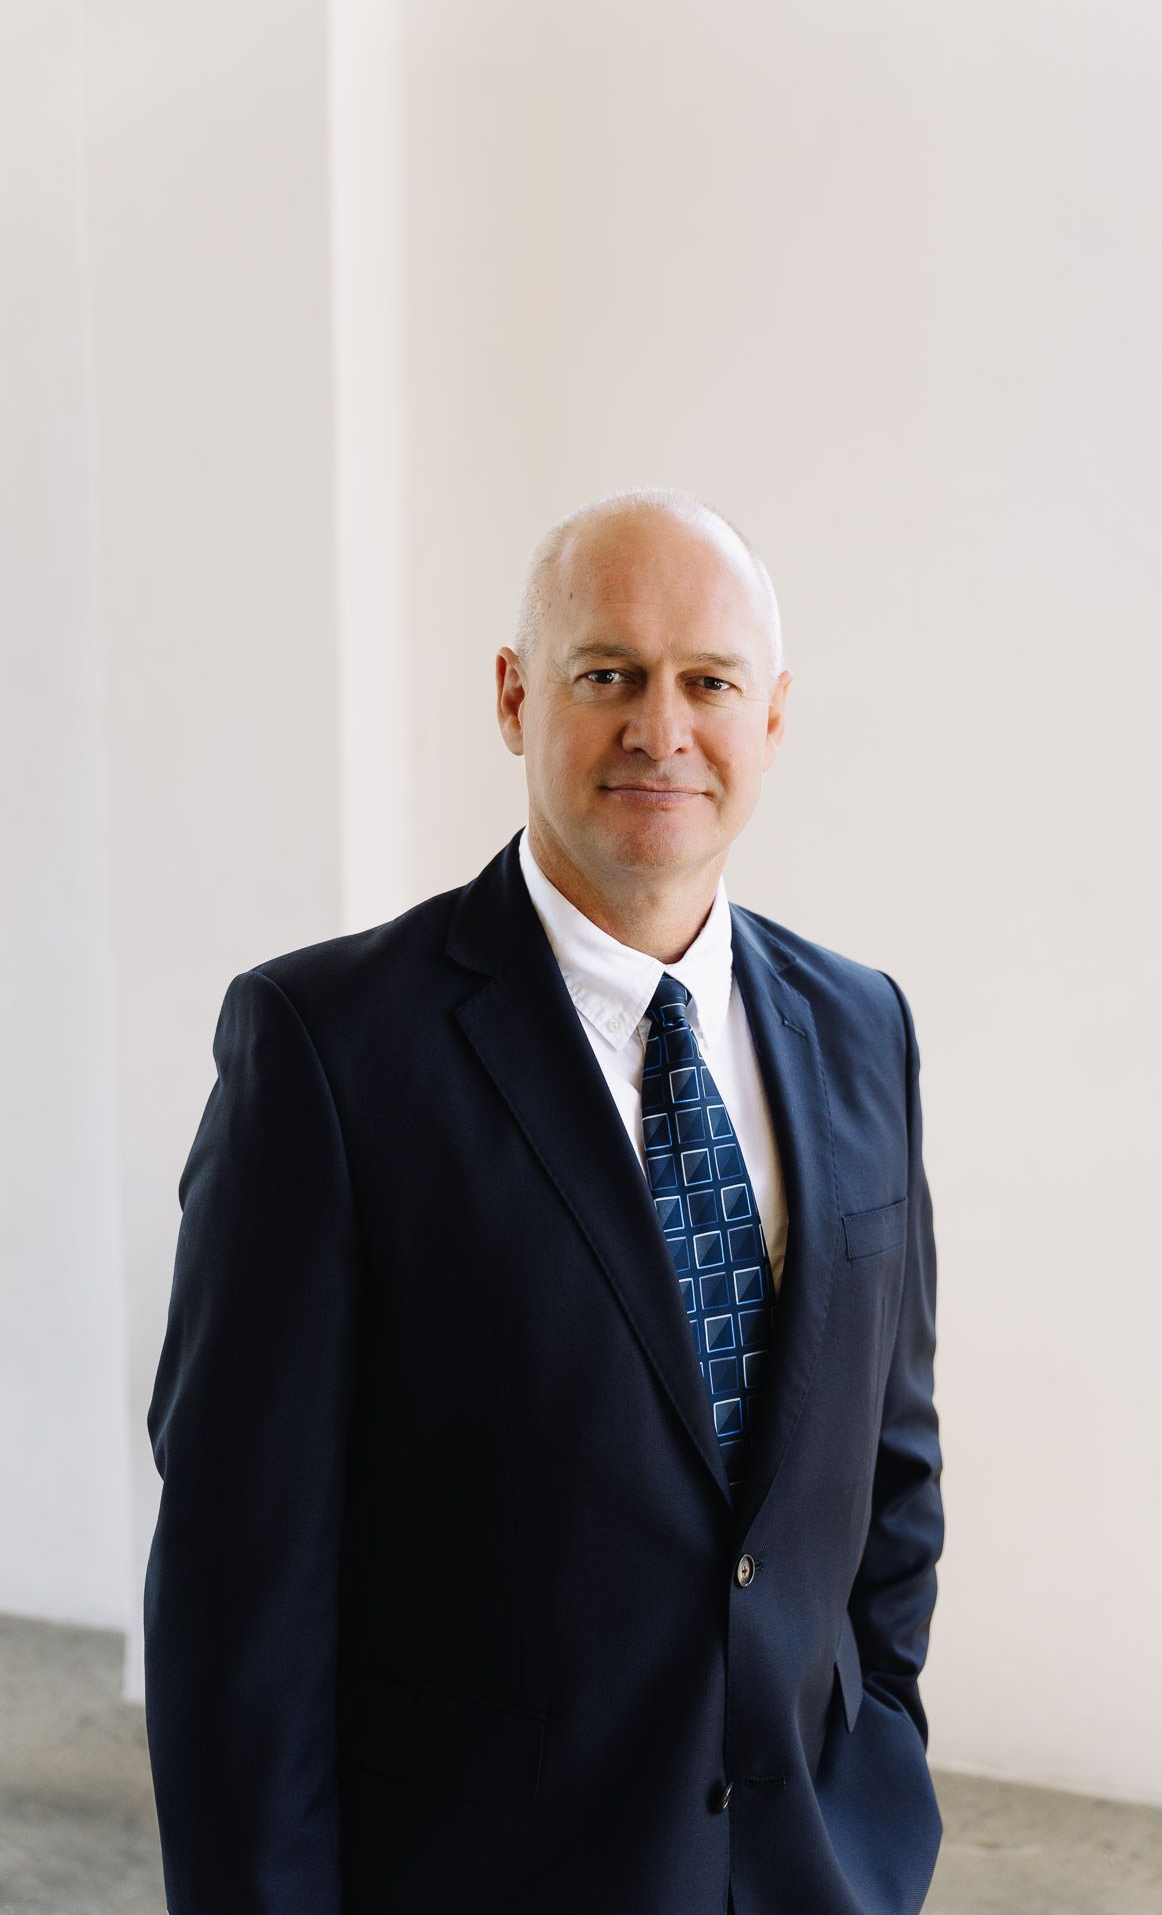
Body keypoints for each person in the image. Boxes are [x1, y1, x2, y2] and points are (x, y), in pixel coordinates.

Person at [143, 486, 944, 1915]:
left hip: (812, 1870)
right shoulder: (327, 1052)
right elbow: (237, 1601)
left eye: (708, 681)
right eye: (606, 675)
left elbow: (890, 1466)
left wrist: (880, 1755)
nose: (660, 728)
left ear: (772, 717)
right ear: (515, 699)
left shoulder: (863, 1026)